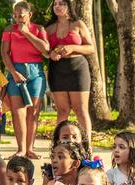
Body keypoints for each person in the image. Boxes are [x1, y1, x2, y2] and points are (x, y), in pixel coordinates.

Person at [1, 0, 49, 159]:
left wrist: (27, 32)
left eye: (21, 16)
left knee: (33, 112)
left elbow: (45, 49)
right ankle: (21, 149)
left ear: (30, 15)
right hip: (16, 72)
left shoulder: (39, 29)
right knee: (18, 112)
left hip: (36, 73)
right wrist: (14, 72)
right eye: (15, 16)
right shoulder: (9, 30)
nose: (18, 19)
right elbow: (4, 53)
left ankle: (30, 149)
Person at [46, 0, 95, 145]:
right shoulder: (48, 28)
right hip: (57, 70)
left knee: (81, 110)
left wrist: (73, 47)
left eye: (61, 3)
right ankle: (59, 146)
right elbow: (43, 49)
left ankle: (86, 147)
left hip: (77, 69)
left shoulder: (78, 24)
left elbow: (91, 48)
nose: (57, 6)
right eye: (55, 4)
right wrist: (50, 54)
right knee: (62, 111)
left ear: (68, 6)